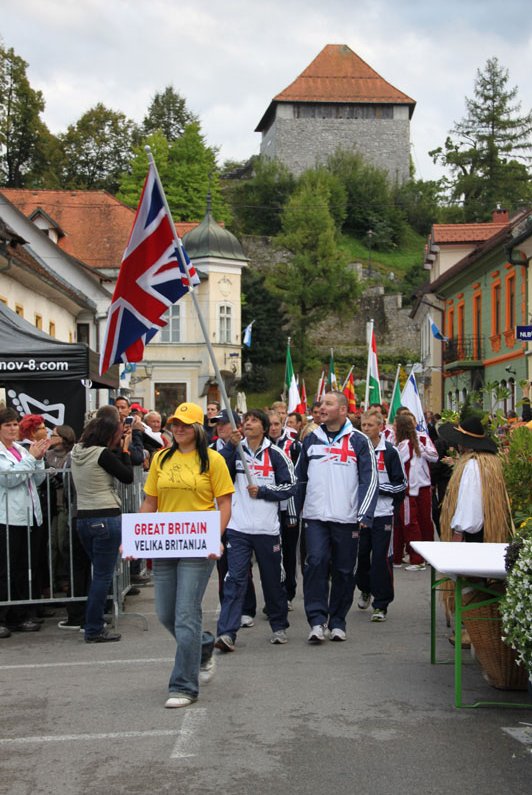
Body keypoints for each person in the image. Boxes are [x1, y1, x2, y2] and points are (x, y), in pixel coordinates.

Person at [139, 402, 234, 709]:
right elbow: (150, 502)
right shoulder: (161, 458)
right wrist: (135, 537)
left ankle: (183, 685)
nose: (178, 429)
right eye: (174, 424)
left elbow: (225, 504)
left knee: (185, 613)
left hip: (198, 544)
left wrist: (216, 537)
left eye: (184, 424)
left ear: (197, 428)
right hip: (165, 542)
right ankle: (203, 646)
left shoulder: (213, 460)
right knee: (166, 614)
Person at [295, 391, 378, 643]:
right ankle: (317, 621)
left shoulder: (359, 441)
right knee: (315, 562)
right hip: (315, 516)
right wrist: (293, 511)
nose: (322, 407)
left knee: (343, 570)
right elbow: (300, 478)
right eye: (321, 403)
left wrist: (364, 512)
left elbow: (369, 479)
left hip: (347, 517)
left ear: (342, 410)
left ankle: (338, 621)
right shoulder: (311, 440)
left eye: (328, 404)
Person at [215, 409, 296, 651]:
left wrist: (263, 492)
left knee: (272, 580)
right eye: (246, 420)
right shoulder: (235, 450)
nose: (248, 424)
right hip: (238, 527)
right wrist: (231, 447)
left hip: (267, 529)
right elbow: (216, 472)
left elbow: (291, 487)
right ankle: (227, 633)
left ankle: (279, 626)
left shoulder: (276, 454)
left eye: (253, 421)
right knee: (234, 579)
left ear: (264, 427)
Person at [70, 412, 133, 643]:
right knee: (102, 576)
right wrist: (125, 450)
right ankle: (94, 628)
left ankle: (92, 618)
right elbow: (127, 476)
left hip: (83, 518)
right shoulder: (102, 454)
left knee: (96, 573)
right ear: (108, 435)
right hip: (106, 516)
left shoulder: (76, 451)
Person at [0, 407, 49, 638]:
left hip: (28, 516)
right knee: (5, 569)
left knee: (22, 569)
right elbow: (9, 479)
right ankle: (2, 616)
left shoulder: (20, 449)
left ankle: (18, 615)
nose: (13, 429)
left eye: (14, 424)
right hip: (7, 517)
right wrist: (31, 458)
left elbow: (36, 480)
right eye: (7, 425)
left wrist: (38, 459)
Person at [356, 409, 407, 621]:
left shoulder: (390, 452)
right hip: (360, 514)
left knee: (380, 558)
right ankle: (365, 588)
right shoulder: (356, 449)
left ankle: (381, 604)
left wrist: (378, 488)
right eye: (363, 425)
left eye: (370, 425)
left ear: (381, 427)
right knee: (360, 556)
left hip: (383, 514)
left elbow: (401, 485)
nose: (366, 429)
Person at [393, 413, 438, 570]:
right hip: (413, 488)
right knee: (413, 522)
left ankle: (419, 559)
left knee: (413, 522)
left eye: (395, 426)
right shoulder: (402, 443)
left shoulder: (418, 440)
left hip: (412, 489)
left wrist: (421, 449)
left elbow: (434, 456)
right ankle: (417, 556)